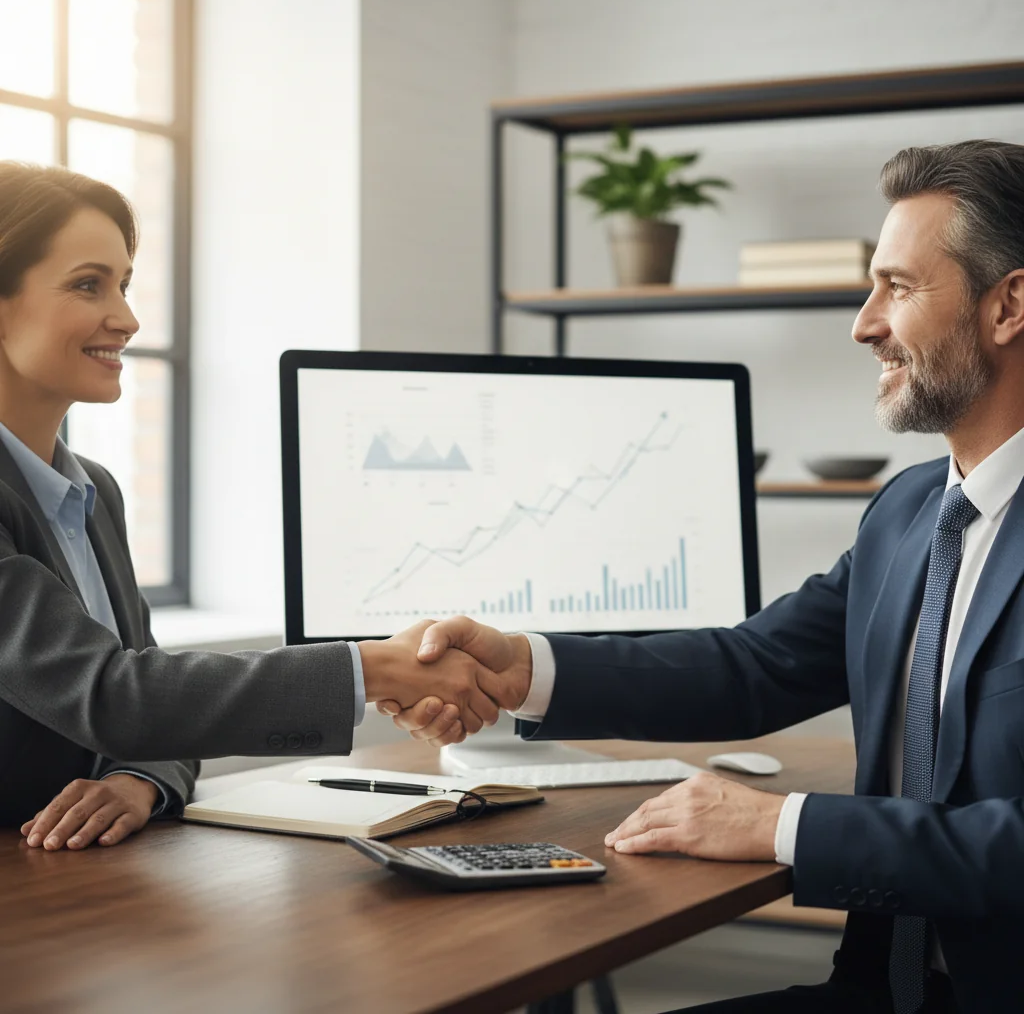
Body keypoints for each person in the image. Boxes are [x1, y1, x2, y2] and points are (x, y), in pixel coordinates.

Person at [380, 140, 1024, 1013]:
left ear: (1009, 304)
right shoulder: (909, 512)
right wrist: (520, 668)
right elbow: (752, 667)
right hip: (888, 991)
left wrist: (780, 824)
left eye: (899, 287)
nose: (864, 323)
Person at [0, 163, 517, 852]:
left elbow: (153, 707)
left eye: (124, 285)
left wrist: (138, 780)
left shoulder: (92, 491)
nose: (126, 318)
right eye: (88, 284)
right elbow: (113, 694)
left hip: (78, 885)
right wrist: (378, 668)